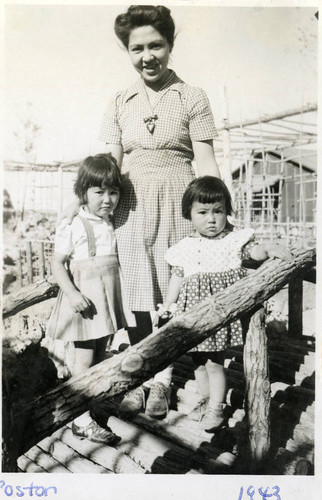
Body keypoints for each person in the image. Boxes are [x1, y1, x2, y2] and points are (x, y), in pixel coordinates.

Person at [99, 4, 221, 419]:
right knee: (136, 291)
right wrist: (84, 204)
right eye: (137, 49)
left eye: (156, 45)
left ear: (170, 45)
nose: (147, 56)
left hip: (177, 199)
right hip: (131, 205)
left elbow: (205, 162)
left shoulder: (192, 96)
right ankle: (140, 373)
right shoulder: (119, 100)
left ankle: (162, 381)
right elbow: (110, 164)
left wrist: (216, 213)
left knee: (173, 289)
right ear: (127, 52)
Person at [155, 176, 292, 432]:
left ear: (226, 212)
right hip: (194, 315)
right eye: (203, 212)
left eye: (218, 211)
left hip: (219, 313)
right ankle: (207, 400)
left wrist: (268, 248)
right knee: (198, 363)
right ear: (189, 214)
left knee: (215, 363)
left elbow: (252, 252)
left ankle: (217, 406)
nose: (211, 218)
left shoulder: (231, 241)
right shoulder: (184, 247)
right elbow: (177, 276)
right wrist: (168, 305)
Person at [46, 153, 133, 444]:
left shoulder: (109, 221)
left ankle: (87, 406)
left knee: (98, 355)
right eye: (99, 192)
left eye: (113, 192)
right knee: (82, 359)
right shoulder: (74, 224)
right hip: (84, 302)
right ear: (84, 192)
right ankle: (78, 419)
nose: (107, 199)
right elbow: (57, 263)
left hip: (104, 302)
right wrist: (71, 294)